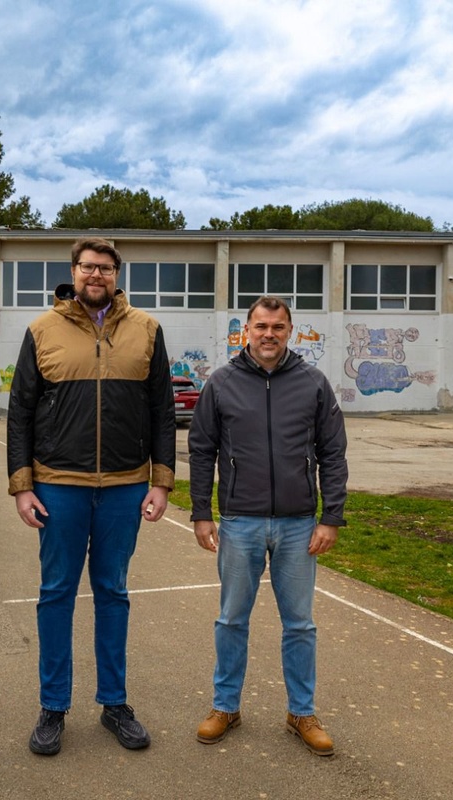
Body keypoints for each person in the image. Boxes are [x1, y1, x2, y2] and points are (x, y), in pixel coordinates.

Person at [7, 236, 176, 756]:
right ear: (73, 272)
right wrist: (22, 485)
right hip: (60, 484)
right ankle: (53, 706)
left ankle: (114, 703)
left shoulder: (147, 329)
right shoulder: (42, 330)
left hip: (125, 486)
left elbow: (163, 410)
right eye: (86, 267)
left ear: (116, 274)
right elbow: (21, 412)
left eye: (104, 268)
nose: (95, 275)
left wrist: (162, 481)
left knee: (113, 593)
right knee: (56, 593)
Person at [188, 295, 348, 756]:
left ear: (289, 332)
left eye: (278, 327)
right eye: (260, 326)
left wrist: (331, 516)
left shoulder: (313, 383)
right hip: (240, 521)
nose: (269, 334)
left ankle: (302, 711)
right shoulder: (220, 384)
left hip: (300, 523)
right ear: (246, 331)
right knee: (231, 619)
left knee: (300, 624)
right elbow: (201, 451)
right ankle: (225, 706)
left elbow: (334, 454)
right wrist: (201, 512)